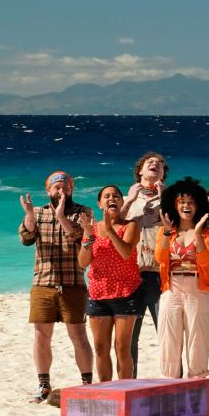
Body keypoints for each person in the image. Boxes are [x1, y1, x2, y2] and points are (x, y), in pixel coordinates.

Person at [18, 170, 95, 402]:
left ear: (71, 189)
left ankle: (87, 384)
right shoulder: (38, 213)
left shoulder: (84, 212)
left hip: (73, 282)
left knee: (79, 335)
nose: (62, 191)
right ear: (48, 190)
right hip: (43, 282)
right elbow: (26, 239)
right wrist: (29, 216)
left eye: (66, 187)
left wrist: (61, 216)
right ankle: (43, 385)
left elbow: (82, 239)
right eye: (57, 188)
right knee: (42, 336)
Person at [76, 185, 142, 381]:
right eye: (106, 196)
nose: (111, 198)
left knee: (122, 347)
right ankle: (106, 390)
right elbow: (83, 262)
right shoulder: (92, 228)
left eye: (116, 196)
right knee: (100, 347)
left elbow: (126, 253)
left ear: (122, 202)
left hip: (125, 292)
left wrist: (110, 230)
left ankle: (125, 390)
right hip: (98, 294)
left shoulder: (130, 225)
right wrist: (88, 237)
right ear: (100, 203)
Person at [154, 177, 209, 380]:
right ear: (174, 204)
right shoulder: (166, 232)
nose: (186, 206)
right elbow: (159, 257)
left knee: (197, 342)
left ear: (198, 205)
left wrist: (197, 232)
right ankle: (169, 384)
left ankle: (196, 385)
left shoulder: (208, 232)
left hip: (197, 289)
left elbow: (205, 260)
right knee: (168, 341)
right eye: (181, 202)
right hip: (171, 288)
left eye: (190, 202)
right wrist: (166, 232)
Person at [120, 151, 168, 376]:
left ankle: (171, 381)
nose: (155, 164)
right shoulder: (128, 197)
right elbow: (113, 226)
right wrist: (129, 200)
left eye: (160, 164)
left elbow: (182, 225)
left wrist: (166, 198)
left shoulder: (170, 197)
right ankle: (129, 381)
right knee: (130, 336)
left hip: (161, 273)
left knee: (167, 333)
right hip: (133, 273)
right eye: (150, 162)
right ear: (140, 170)